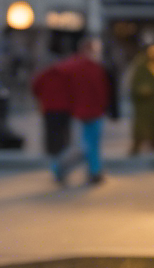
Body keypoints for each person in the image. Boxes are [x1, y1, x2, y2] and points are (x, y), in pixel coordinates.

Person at [57, 36, 110, 185]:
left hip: (82, 110)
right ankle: (63, 168)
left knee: (89, 144)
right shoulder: (89, 67)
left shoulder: (73, 65)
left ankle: (93, 171)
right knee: (88, 145)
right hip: (88, 110)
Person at [31, 54, 72, 186]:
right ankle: (61, 166)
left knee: (53, 139)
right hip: (64, 109)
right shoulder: (65, 75)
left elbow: (34, 88)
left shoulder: (43, 75)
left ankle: (56, 167)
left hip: (50, 109)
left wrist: (42, 98)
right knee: (64, 138)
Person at [128, 43, 154, 154]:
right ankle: (137, 145)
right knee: (142, 125)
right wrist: (146, 90)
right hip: (145, 102)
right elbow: (135, 83)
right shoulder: (141, 64)